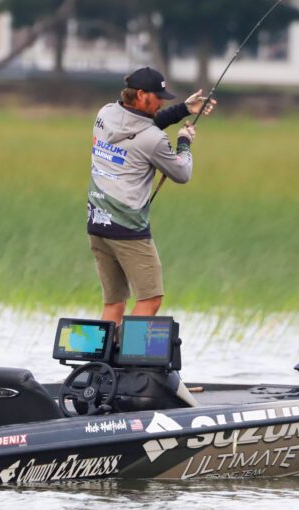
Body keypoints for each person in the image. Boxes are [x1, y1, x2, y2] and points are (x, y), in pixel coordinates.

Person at [87, 67, 215, 327]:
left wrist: (183, 109)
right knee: (150, 299)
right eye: (158, 97)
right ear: (141, 95)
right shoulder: (154, 140)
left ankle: (100, 363)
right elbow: (181, 172)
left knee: (114, 302)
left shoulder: (106, 114)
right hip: (127, 227)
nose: (162, 102)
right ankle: (129, 361)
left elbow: (139, 130)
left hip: (97, 222)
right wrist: (183, 142)